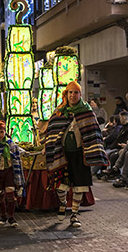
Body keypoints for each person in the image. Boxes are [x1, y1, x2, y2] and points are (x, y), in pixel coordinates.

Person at [44, 81, 108, 228]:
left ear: (80, 94)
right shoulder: (59, 111)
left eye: (75, 92)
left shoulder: (87, 112)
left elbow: (94, 132)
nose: (72, 95)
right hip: (62, 154)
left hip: (80, 155)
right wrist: (49, 146)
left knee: (80, 185)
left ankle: (74, 215)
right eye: (70, 92)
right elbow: (52, 132)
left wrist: (96, 150)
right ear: (66, 94)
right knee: (61, 185)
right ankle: (62, 203)